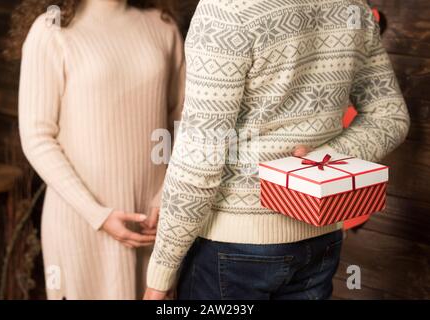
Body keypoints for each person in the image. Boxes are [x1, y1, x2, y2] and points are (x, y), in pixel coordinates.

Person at [144, 0, 410, 300]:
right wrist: (323, 161)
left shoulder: (227, 11)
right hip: (320, 238)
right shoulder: (352, 6)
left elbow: (200, 161)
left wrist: (161, 273)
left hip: (232, 246)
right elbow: (390, 117)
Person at [12, 0, 185, 299]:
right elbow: (37, 137)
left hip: (153, 223)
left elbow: (183, 121)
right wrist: (98, 215)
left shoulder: (162, 24)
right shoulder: (51, 30)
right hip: (80, 222)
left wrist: (166, 191)